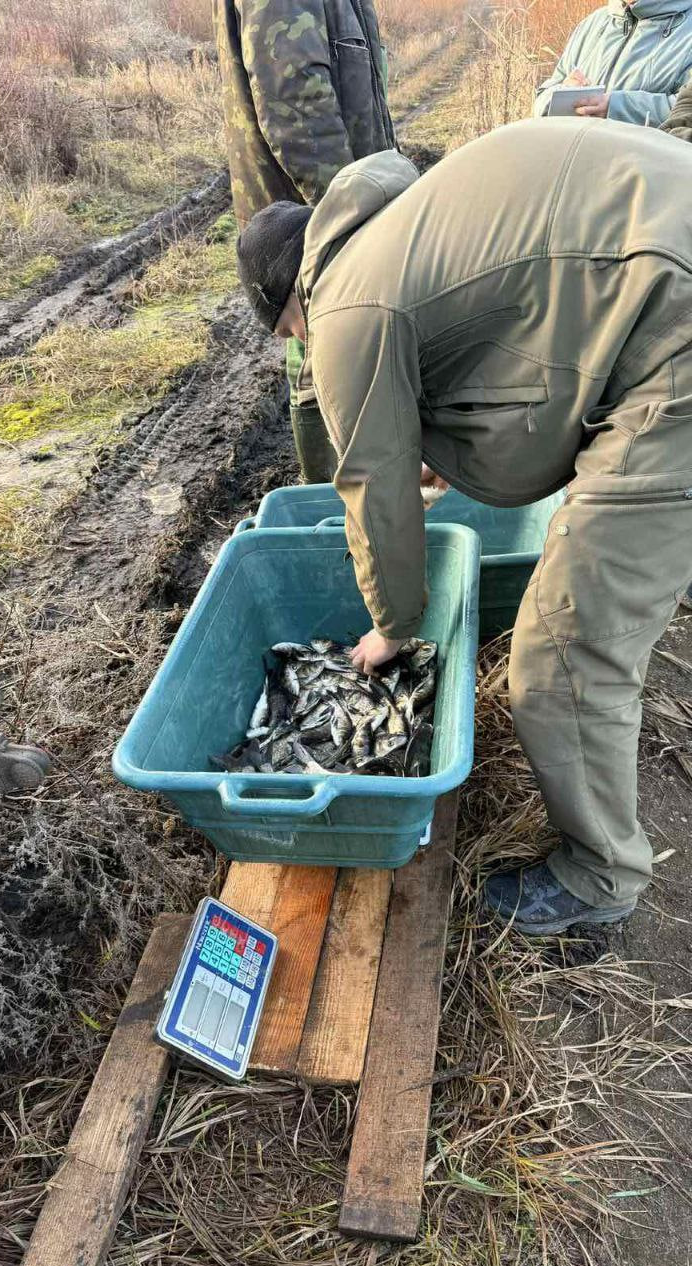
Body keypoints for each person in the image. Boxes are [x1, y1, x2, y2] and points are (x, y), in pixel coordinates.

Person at [236, 118, 692, 936]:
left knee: (562, 651)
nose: (302, 351)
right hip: (663, 251)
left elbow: (374, 490)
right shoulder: (397, 225)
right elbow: (522, 333)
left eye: (290, 340)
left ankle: (601, 878)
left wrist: (389, 627)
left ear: (288, 306)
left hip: (679, 331)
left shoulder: (343, 308)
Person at [214, 0, 395, 484]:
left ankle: (356, 500)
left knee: (340, 364)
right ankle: (337, 509)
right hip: (309, 226)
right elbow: (297, 108)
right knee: (327, 369)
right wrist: (351, 224)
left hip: (329, 209)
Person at [533, 0, 692, 127]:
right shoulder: (593, 23)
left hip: (641, 166)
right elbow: (543, 96)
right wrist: (562, 95)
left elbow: (686, 112)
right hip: (578, 160)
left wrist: (615, 108)